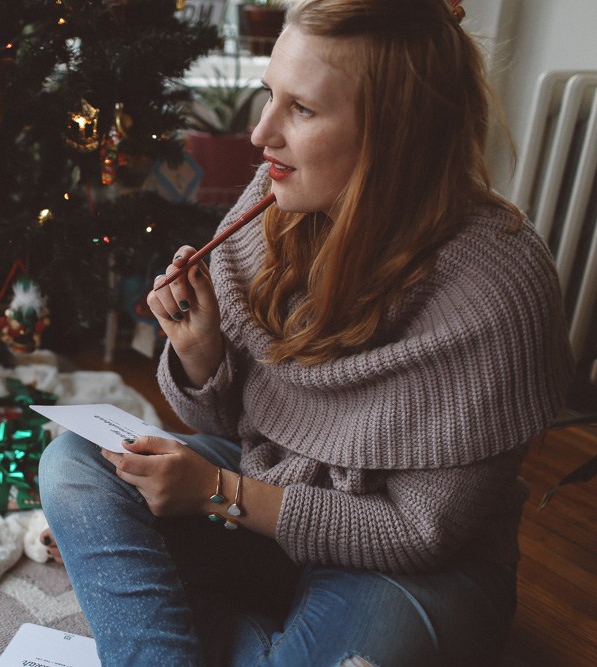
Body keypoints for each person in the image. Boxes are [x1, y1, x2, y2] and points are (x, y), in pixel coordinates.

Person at [38, 1, 574, 665]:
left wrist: (217, 492)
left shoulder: (502, 285)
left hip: (410, 569)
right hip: (269, 509)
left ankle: (162, 618)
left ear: (397, 133)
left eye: (303, 109)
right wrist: (203, 354)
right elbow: (235, 426)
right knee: (74, 462)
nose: (262, 133)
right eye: (270, 95)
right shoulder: (277, 199)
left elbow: (421, 532)